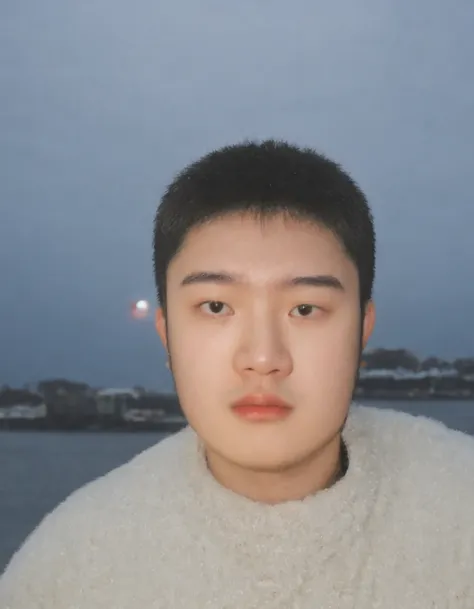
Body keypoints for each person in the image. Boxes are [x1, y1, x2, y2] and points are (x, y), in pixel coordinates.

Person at [1, 140, 473, 608]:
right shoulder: (70, 571)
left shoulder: (458, 509)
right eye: (216, 306)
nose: (263, 357)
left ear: (362, 330)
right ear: (167, 334)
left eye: (305, 309)